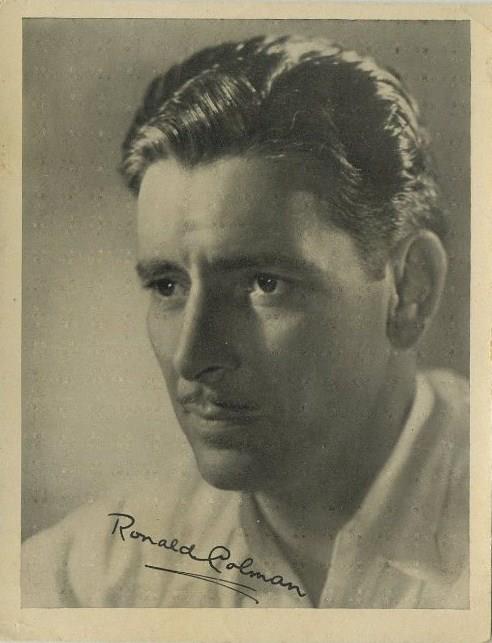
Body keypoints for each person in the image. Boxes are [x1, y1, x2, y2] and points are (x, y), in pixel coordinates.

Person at [22, 34, 469, 608]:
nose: (193, 355)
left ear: (410, 290)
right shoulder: (88, 579)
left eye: (264, 283)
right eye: (168, 286)